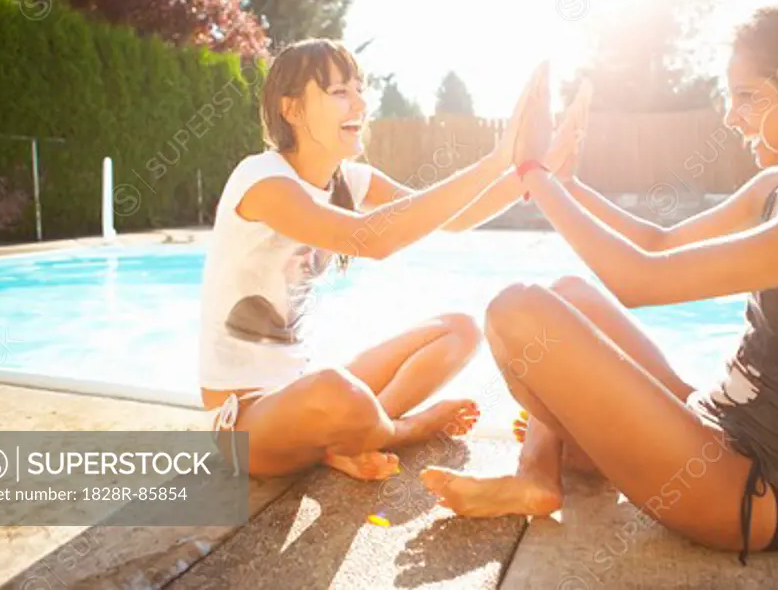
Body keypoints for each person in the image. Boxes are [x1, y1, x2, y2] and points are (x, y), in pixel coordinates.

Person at [420, 0, 778, 564]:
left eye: (747, 95)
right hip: (713, 423)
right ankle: (539, 475)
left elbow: (640, 281)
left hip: (754, 494)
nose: (731, 115)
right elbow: (660, 244)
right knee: (566, 296)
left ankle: (575, 452)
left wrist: (532, 173)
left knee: (518, 313)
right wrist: (565, 182)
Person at [199, 38, 563, 481]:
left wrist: (532, 170)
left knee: (459, 330)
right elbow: (370, 239)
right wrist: (495, 159)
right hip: (246, 422)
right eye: (339, 92)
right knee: (336, 390)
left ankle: (355, 437)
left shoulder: (350, 180)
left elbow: (457, 218)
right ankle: (404, 429)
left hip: (303, 394)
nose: (359, 103)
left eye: (359, 88)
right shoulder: (261, 178)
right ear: (290, 109)